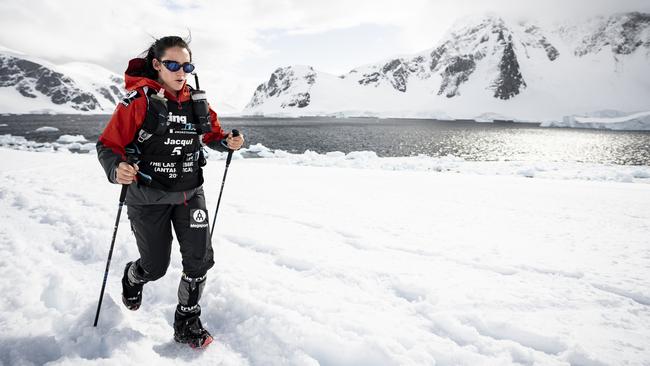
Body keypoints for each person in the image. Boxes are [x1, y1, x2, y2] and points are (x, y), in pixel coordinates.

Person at [96, 35, 244, 348]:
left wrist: (227, 142)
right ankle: (135, 276)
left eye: (186, 65)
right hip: (147, 198)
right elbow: (108, 145)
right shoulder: (138, 102)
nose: (181, 71)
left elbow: (211, 134)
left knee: (200, 260)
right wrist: (116, 168)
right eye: (173, 64)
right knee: (156, 267)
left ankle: (186, 323)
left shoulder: (197, 102)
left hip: (191, 193)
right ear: (156, 65)